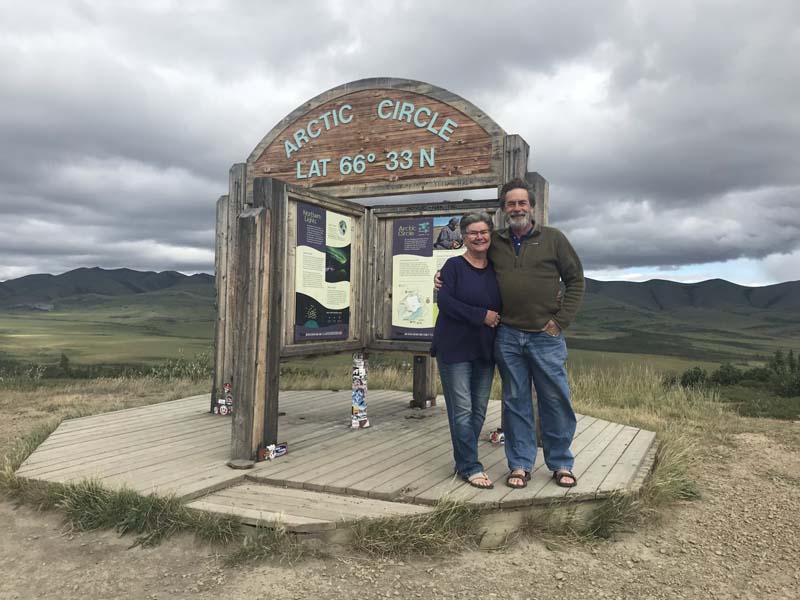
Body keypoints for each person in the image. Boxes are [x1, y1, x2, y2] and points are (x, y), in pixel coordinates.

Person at [435, 179, 585, 489]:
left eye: (522, 203)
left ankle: (560, 463)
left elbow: (576, 280)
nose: (516, 208)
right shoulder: (497, 241)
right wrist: (442, 277)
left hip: (546, 335)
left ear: (531, 206)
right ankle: (520, 464)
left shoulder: (554, 239)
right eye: (510, 204)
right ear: (504, 209)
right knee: (515, 402)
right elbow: (466, 266)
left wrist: (561, 321)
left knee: (555, 400)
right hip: (508, 336)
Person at [431, 212, 502, 489]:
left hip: (485, 350)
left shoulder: (497, 269)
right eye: (472, 232)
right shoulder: (452, 267)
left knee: (479, 412)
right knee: (461, 411)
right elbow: (445, 302)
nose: (479, 237)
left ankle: (464, 459)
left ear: (490, 235)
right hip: (454, 348)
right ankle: (470, 466)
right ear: (463, 235)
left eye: (483, 232)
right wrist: (481, 315)